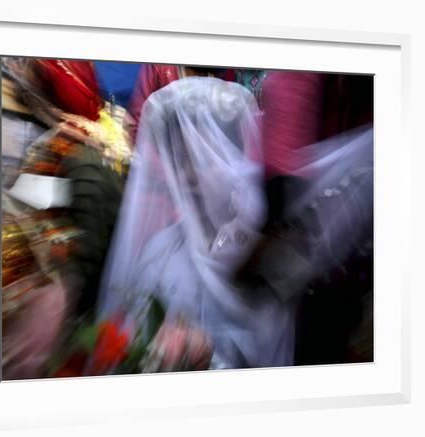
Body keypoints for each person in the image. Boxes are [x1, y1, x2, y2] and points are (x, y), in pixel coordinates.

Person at [97, 77, 298, 370]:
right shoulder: (161, 253)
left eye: (202, 159)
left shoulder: (260, 256)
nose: (187, 176)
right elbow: (130, 342)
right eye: (180, 160)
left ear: (236, 159)